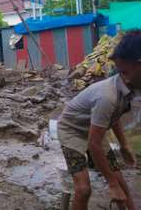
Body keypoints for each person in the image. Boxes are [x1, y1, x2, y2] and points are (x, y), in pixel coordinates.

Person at [58, 30, 141, 210]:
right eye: (123, 71)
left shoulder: (130, 87)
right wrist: (111, 184)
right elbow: (93, 144)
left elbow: (113, 117)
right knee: (83, 189)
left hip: (94, 128)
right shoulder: (108, 96)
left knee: (119, 180)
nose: (123, 74)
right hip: (71, 129)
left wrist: (124, 144)